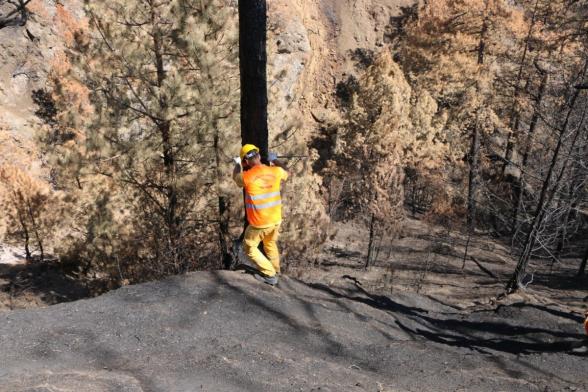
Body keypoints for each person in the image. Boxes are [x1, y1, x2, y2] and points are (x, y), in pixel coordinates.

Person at [233, 144, 288, 286]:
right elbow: (287, 172)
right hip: (276, 220)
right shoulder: (275, 171)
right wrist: (274, 159)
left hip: (259, 223)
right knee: (270, 243)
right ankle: (276, 270)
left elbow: (236, 178)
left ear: (246, 162)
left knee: (249, 247)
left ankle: (270, 274)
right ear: (259, 156)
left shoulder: (248, 176)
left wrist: (237, 164)